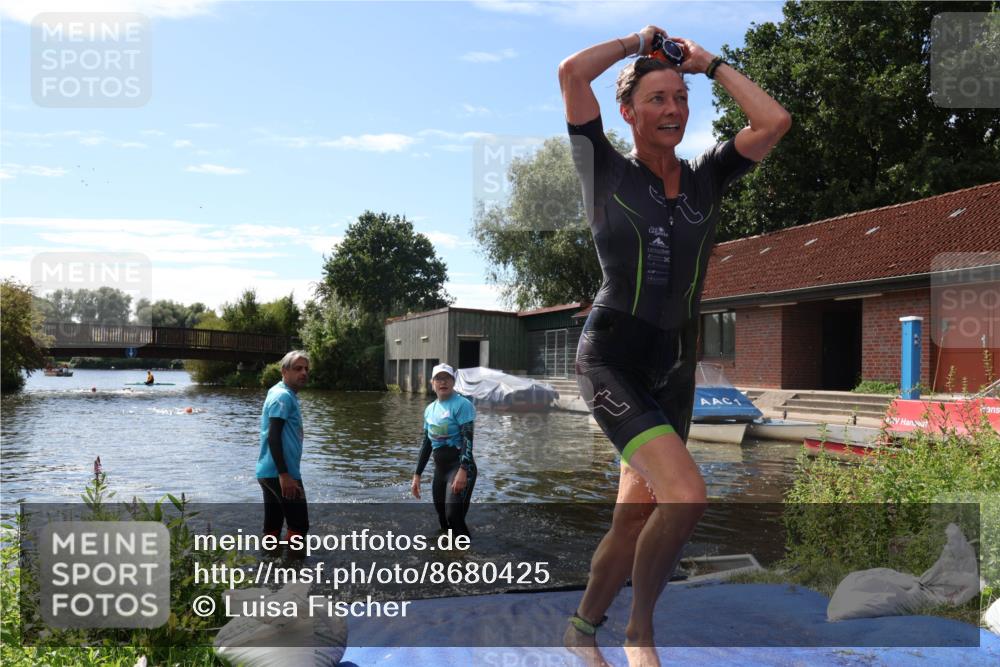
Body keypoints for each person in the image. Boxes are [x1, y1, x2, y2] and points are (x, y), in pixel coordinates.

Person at [558, 25, 790, 667]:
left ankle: (580, 630)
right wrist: (638, 43)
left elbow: (775, 120)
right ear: (628, 112)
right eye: (657, 99)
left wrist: (710, 64)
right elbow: (572, 73)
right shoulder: (601, 168)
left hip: (675, 368)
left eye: (681, 99)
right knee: (687, 495)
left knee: (636, 515)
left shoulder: (708, 175)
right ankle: (639, 634)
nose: (673, 110)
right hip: (612, 358)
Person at [410, 363, 477, 538]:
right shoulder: (429, 410)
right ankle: (447, 558)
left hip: (460, 468)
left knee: (454, 516)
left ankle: (467, 558)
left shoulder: (462, 404)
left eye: (447, 378)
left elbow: (467, 439)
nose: (443, 382)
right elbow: (426, 444)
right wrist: (417, 475)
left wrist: (463, 470)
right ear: (432, 383)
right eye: (438, 379)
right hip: (441, 471)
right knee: (442, 518)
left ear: (453, 381)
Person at [256, 350, 310, 549]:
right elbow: (273, 436)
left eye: (306, 369)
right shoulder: (283, 396)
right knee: (299, 527)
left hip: (267, 471)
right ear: (284, 371)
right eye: (298, 368)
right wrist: (285, 475)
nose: (304, 372)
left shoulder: (278, 391)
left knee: (272, 526)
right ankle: (294, 572)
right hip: (282, 473)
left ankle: (270, 568)